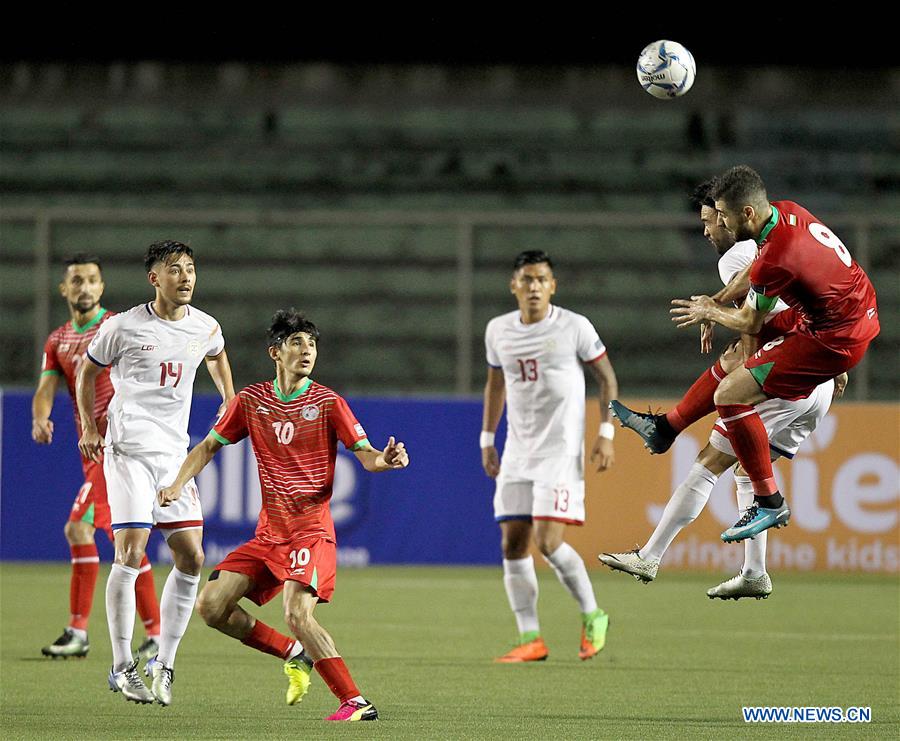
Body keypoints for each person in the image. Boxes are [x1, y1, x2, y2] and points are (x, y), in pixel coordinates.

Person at [158, 309, 408, 721]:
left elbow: (366, 456)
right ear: (275, 352)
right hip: (269, 536)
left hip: (311, 532)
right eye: (297, 343)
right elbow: (207, 446)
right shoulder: (251, 401)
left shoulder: (328, 403)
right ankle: (293, 653)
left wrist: (386, 458)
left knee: (297, 613)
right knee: (211, 606)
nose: (307, 351)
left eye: (311, 344)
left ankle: (355, 702)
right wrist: (177, 484)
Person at [600, 182, 846, 599]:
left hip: (786, 379)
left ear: (729, 215)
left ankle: (650, 556)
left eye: (710, 220)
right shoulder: (783, 235)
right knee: (746, 468)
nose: (706, 230)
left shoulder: (736, 255)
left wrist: (747, 362)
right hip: (817, 375)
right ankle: (754, 573)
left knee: (709, 460)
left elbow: (755, 319)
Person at [668, 166, 879, 543]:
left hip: (833, 337)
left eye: (725, 215)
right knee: (737, 381)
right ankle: (673, 428)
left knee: (729, 395)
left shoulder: (777, 256)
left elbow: (750, 320)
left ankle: (769, 501)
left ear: (747, 212)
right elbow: (762, 269)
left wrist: (710, 310)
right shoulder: (787, 211)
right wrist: (719, 299)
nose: (722, 223)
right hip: (858, 312)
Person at [77, 241, 235, 705]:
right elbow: (87, 373)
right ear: (155, 279)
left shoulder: (205, 325)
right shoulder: (123, 326)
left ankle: (163, 663)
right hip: (128, 452)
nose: (185, 277)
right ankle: (121, 665)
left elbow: (217, 353)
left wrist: (228, 397)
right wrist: (90, 426)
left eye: (190, 269)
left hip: (173, 456)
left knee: (192, 557)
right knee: (130, 551)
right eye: (175, 270)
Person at [482, 250, 618, 663]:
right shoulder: (498, 330)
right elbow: (495, 385)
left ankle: (593, 614)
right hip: (517, 450)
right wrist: (487, 439)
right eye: (527, 279)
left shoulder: (574, 326)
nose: (534, 287)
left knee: (547, 541)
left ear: (553, 286)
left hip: (560, 452)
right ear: (514, 286)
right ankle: (531, 638)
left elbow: (607, 379)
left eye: (542, 279)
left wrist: (606, 433)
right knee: (512, 544)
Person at [33, 253, 161, 661]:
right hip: (93, 452)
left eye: (92, 280)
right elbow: (46, 389)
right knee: (124, 539)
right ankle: (155, 633)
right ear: (64, 289)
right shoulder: (57, 340)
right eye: (77, 280)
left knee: (79, 529)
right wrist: (40, 417)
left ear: (102, 287)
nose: (84, 287)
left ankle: (78, 631)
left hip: (117, 447)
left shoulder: (116, 326)